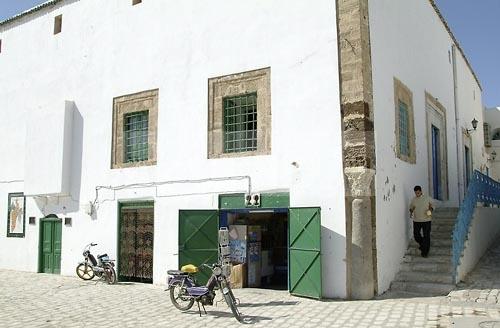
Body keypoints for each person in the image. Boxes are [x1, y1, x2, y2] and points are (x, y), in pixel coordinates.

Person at [409, 185, 433, 257]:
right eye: (416, 193)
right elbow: (411, 207)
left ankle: (425, 252)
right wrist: (411, 211)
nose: (417, 194)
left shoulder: (427, 198)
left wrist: (430, 210)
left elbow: (432, 205)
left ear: (421, 191)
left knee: (426, 236)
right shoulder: (414, 199)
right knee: (416, 235)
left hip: (426, 220)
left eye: (418, 193)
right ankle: (423, 245)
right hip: (416, 220)